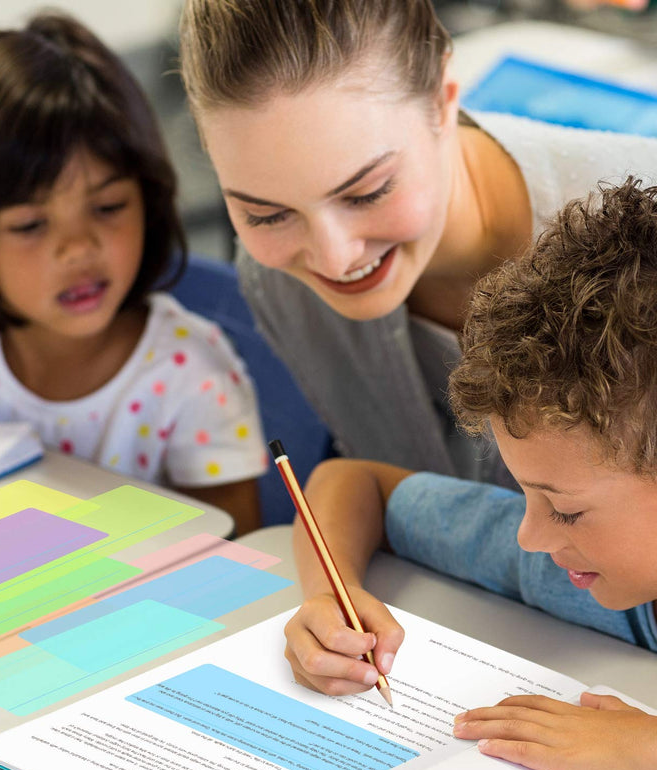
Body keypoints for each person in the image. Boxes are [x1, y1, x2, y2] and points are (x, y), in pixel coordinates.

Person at [178, 0, 657, 491]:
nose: (334, 258)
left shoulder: (645, 243)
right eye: (266, 215)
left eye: (367, 192)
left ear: (442, 101)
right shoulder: (276, 279)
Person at [281, 177, 657, 770]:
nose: (528, 537)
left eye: (564, 511)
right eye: (527, 494)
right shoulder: (565, 568)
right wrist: (332, 594)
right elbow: (356, 484)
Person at [0, 13, 266, 535]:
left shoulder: (191, 379)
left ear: (151, 197)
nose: (78, 248)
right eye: (30, 224)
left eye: (109, 206)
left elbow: (240, 558)